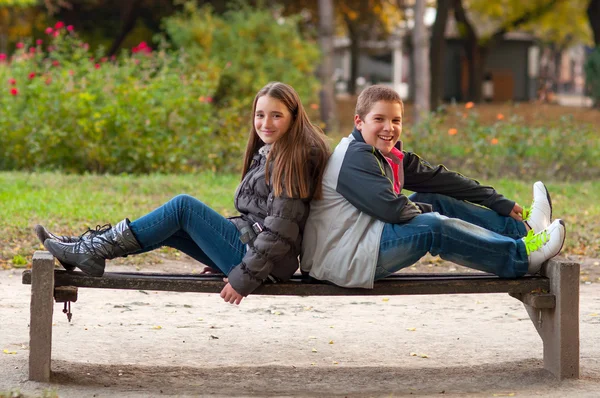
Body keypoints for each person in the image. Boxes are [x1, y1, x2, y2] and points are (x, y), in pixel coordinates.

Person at [37, 82, 331, 304]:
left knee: (183, 207)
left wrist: (243, 277)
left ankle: (92, 249)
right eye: (260, 114)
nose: (266, 123)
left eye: (276, 116)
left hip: (262, 261)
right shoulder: (272, 152)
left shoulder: (295, 160)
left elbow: (280, 231)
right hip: (252, 248)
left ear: (293, 117)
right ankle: (89, 248)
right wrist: (217, 249)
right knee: (171, 227)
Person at [301, 85, 565, 289]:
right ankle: (521, 257)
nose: (389, 128)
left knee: (435, 198)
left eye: (396, 120)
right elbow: (393, 211)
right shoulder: (355, 157)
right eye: (379, 119)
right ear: (359, 122)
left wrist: (498, 201)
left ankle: (526, 230)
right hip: (341, 259)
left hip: (363, 240)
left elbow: (441, 179)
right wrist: (435, 215)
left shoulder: (385, 154)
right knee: (433, 227)